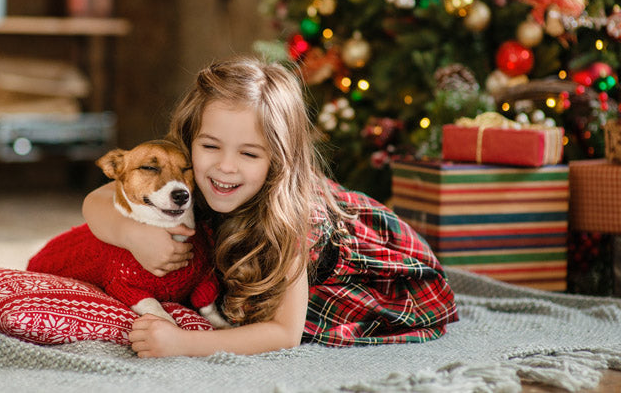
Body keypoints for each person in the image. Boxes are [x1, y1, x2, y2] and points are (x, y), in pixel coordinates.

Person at [82, 56, 458, 357]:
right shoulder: (184, 170)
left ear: (277, 161)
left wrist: (185, 345)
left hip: (375, 276)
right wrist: (132, 235)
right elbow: (96, 199)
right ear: (189, 139)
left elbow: (285, 333)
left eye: (249, 153)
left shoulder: (294, 219)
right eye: (210, 146)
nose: (224, 167)